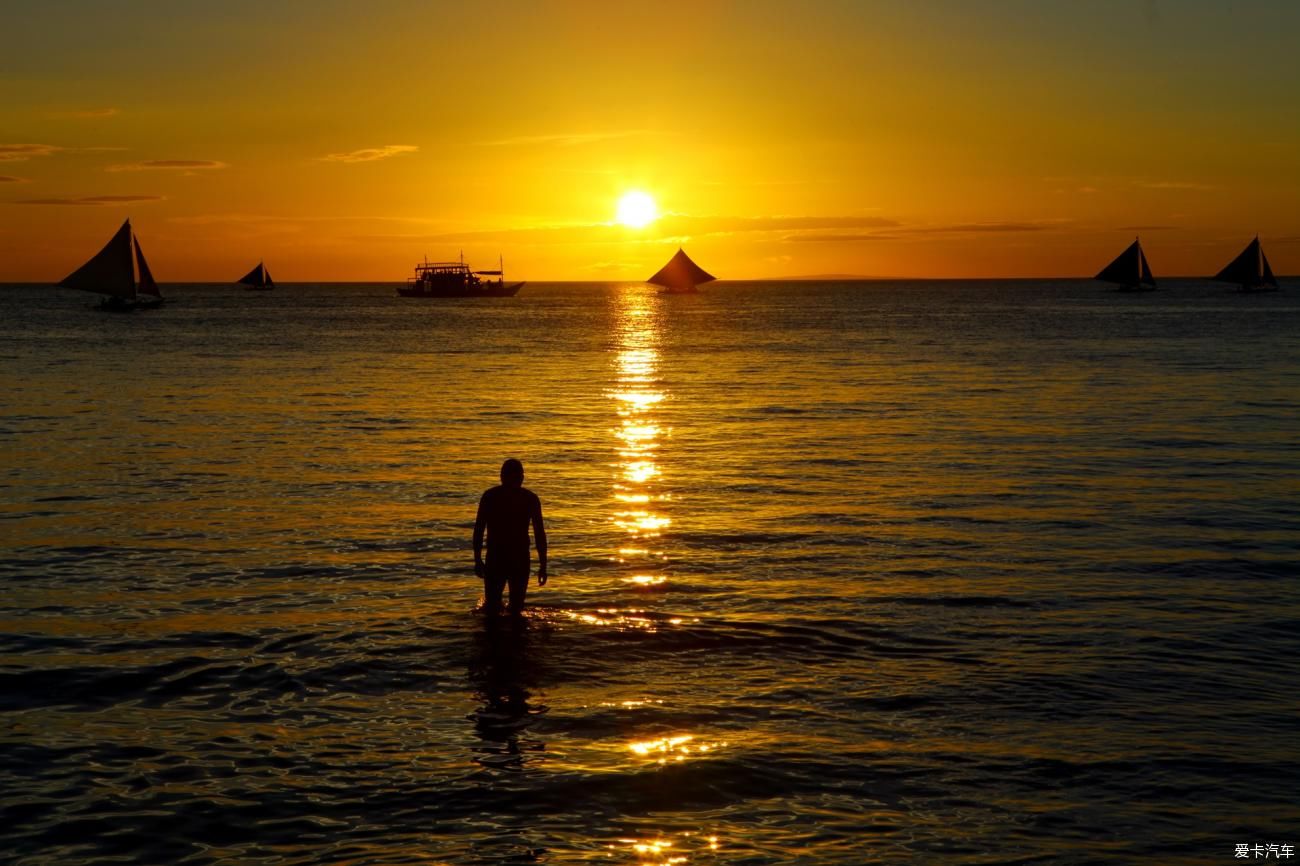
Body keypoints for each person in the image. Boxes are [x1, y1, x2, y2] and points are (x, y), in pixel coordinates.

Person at [473, 458, 548, 616]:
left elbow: (479, 530)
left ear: (501, 476)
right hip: (515, 558)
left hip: (499, 558)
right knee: (515, 610)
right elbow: (539, 534)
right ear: (521, 478)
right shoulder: (529, 499)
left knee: (492, 610)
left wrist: (477, 559)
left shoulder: (490, 497)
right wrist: (543, 565)